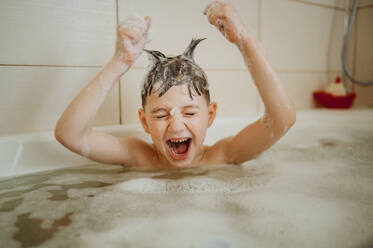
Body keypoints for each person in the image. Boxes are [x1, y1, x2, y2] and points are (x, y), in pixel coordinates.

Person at [55, 1, 296, 170]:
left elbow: (282, 119)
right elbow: (69, 135)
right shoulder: (139, 157)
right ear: (144, 121)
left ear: (210, 115)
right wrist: (120, 62)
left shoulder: (223, 155)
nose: (176, 124)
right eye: (160, 115)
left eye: (190, 112)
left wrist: (245, 40)